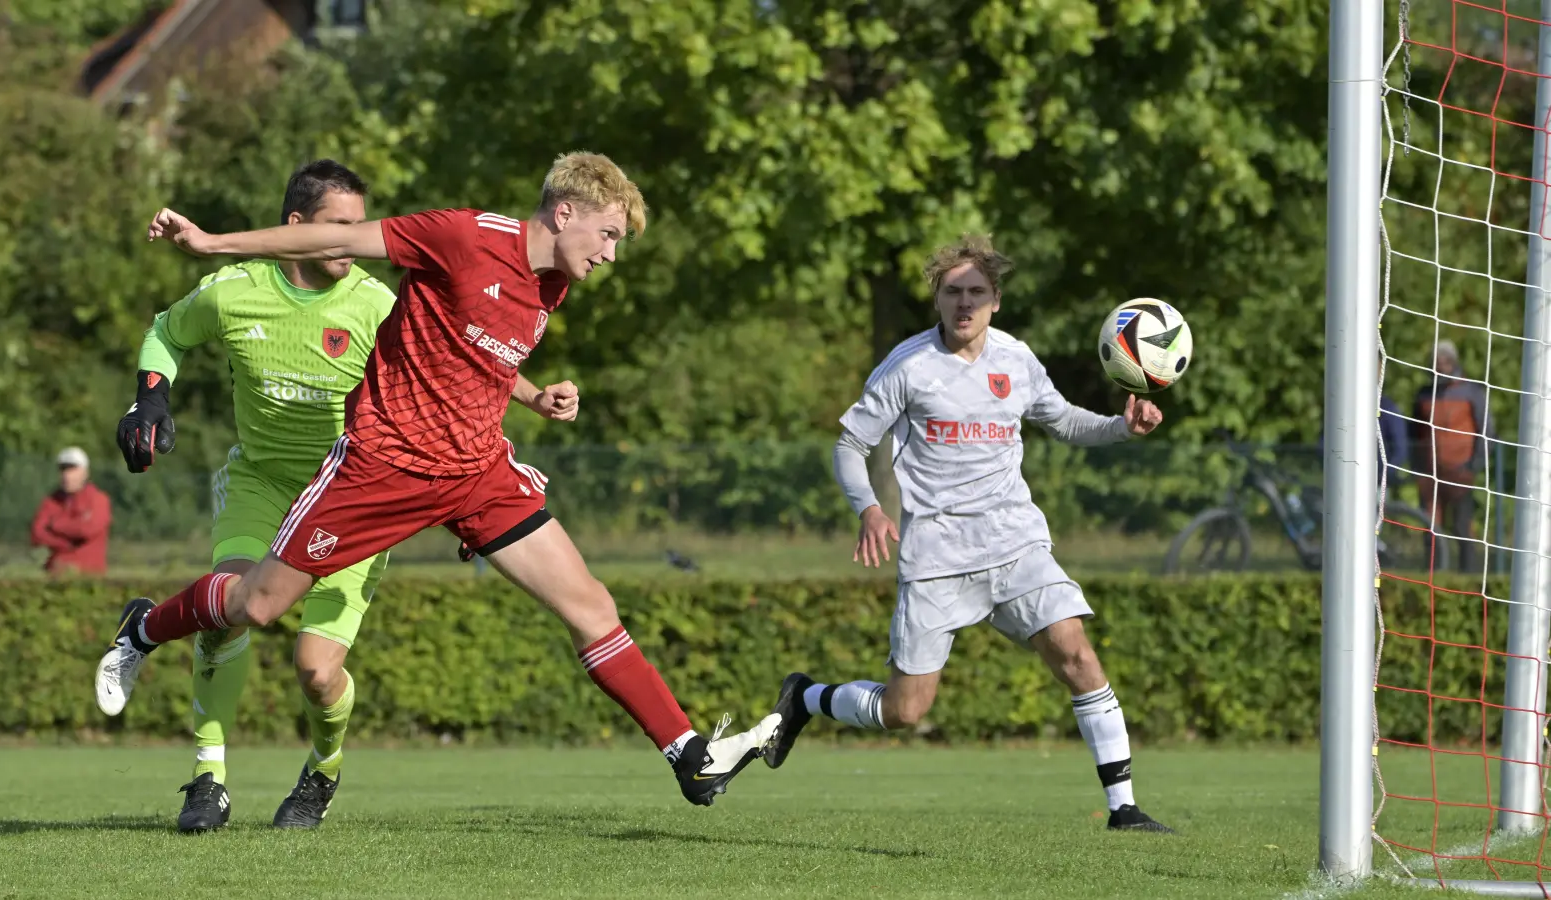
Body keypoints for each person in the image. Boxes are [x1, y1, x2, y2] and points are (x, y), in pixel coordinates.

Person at [95, 152, 779, 808]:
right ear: (565, 212)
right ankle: (146, 629)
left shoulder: (554, 283)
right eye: (607, 234)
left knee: (591, 606)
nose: (610, 253)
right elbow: (341, 235)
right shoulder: (463, 235)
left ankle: (688, 754)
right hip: (380, 468)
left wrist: (535, 398)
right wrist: (212, 242)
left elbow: (473, 351)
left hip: (474, 474)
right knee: (255, 606)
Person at [760, 236, 1173, 833]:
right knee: (905, 711)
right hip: (936, 555)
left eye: (976, 292)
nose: (964, 303)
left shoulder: (1016, 358)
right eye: (952, 291)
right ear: (937, 298)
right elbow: (850, 444)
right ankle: (806, 698)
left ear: (996, 300)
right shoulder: (908, 366)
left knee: (1077, 654)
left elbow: (1062, 420)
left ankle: (1125, 809)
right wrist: (870, 509)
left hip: (1015, 542)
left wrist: (1122, 427)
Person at [114, 160, 444, 832]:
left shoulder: (377, 303)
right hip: (260, 484)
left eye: (363, 228)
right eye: (339, 227)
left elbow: (444, 382)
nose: (356, 241)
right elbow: (166, 333)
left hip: (351, 498)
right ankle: (209, 779)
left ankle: (324, 769)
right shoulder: (233, 291)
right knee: (227, 608)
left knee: (317, 674)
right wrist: (151, 398)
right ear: (294, 228)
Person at [1411, 340, 1489, 571]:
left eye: (1445, 361)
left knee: (1462, 526)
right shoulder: (1424, 395)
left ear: (1454, 362)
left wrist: (1474, 465)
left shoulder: (1471, 392)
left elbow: (1487, 431)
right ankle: (1432, 577)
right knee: (1430, 527)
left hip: (1461, 471)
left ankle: (1468, 578)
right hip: (1430, 473)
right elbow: (1414, 432)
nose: (1440, 366)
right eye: (1436, 361)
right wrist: (1417, 468)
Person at [30, 447, 112, 576]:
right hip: (55, 574)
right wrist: (66, 544)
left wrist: (55, 525)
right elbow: (37, 533)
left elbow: (86, 529)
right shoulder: (51, 500)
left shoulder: (98, 499)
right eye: (63, 470)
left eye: (73, 469)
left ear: (85, 472)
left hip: (90, 577)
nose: (67, 475)